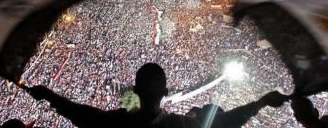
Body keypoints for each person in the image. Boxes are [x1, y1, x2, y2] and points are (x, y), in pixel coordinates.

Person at [27, 62, 287, 128]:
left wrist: (49, 95)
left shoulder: (116, 123)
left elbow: (80, 113)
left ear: (135, 90)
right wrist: (260, 102)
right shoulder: (181, 125)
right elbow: (227, 123)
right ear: (166, 92)